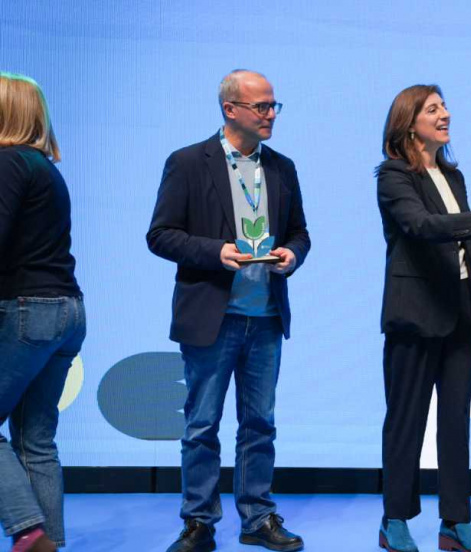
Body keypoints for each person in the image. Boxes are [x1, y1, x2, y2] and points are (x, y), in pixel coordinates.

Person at [148, 69, 311, 552]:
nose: (269, 115)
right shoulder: (187, 163)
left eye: (273, 106)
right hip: (211, 316)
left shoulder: (282, 168)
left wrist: (293, 255)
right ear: (230, 109)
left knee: (259, 423)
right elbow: (160, 235)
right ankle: (199, 522)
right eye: (261, 106)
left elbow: (300, 232)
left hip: (265, 317)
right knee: (201, 425)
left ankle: (257, 517)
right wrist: (214, 251)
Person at [376, 84, 471, 552]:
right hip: (414, 316)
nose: (445, 114)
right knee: (406, 421)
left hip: (459, 316)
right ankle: (394, 520)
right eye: (433, 109)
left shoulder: (453, 175)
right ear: (408, 122)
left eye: (444, 106)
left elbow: (466, 242)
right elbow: (422, 228)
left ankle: (455, 523)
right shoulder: (393, 176)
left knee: (456, 422)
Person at [0, 72, 85, 552]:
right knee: (36, 441)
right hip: (66, 311)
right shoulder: (44, 167)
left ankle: (28, 529)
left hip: (29, 311)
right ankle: (47, 543)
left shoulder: (7, 163)